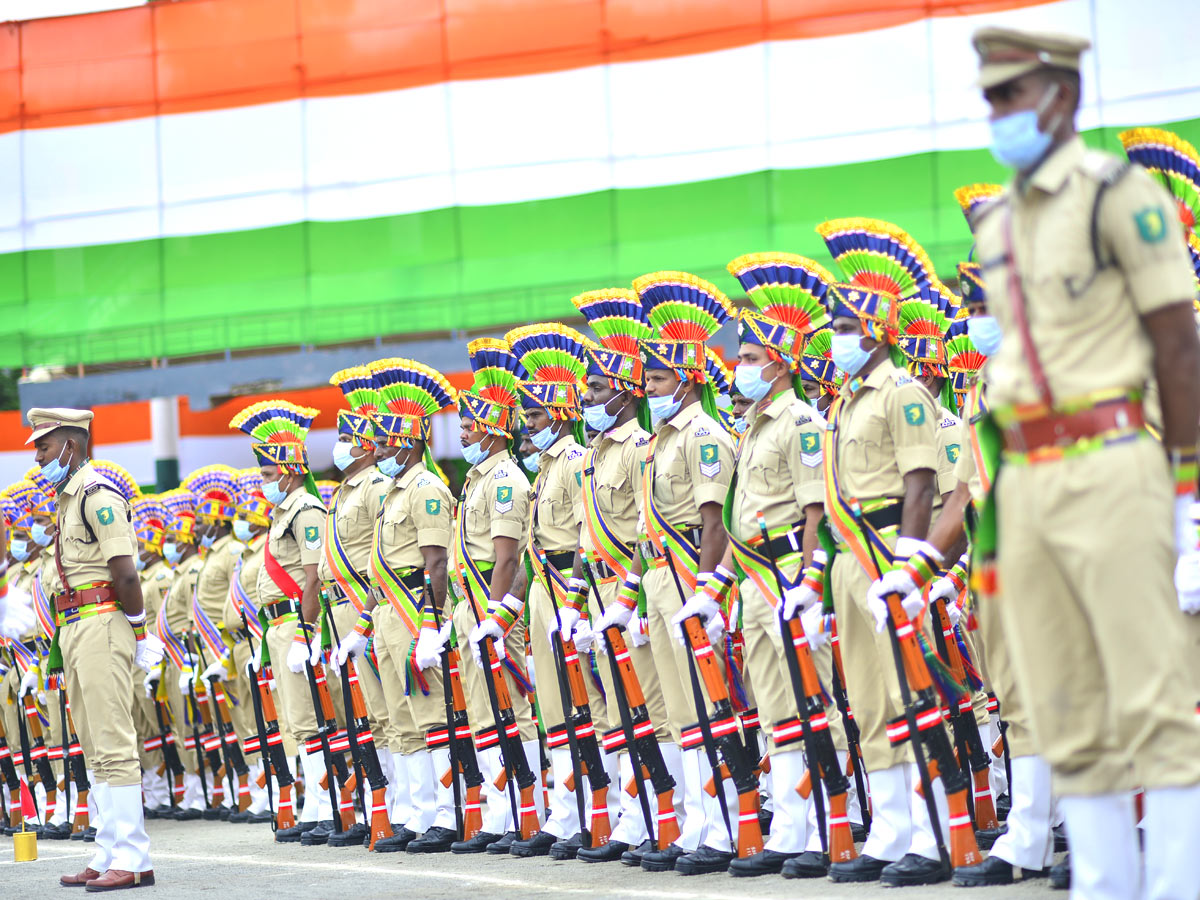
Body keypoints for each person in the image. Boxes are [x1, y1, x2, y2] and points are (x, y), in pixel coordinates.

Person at [968, 26, 1200, 899]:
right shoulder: (997, 221)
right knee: (1065, 709)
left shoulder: (1119, 195)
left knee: (1152, 701)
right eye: (990, 99)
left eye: (1012, 96)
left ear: (1060, 96)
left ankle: (1176, 887)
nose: (999, 114)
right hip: (1024, 481)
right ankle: (1106, 885)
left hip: (1110, 464)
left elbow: (1178, 349)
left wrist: (1188, 501)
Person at [795, 252, 947, 885]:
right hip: (850, 565)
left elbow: (919, 486)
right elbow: (832, 500)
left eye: (847, 327)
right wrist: (815, 579)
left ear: (877, 331)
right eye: (834, 328)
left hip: (889, 552)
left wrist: (909, 567)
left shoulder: (904, 393)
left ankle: (937, 831)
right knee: (866, 696)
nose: (837, 339)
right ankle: (889, 832)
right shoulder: (844, 404)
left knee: (911, 690)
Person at [594, 271, 739, 875]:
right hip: (656, 579)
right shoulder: (655, 443)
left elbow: (714, 524)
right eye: (647, 378)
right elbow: (644, 528)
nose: (647, 387)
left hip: (689, 580)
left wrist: (705, 595)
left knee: (708, 707)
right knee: (679, 713)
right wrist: (627, 598)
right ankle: (692, 823)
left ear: (687, 378)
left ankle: (727, 825)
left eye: (656, 378)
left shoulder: (704, 435)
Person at [721, 252, 855, 878]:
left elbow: (814, 509)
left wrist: (806, 579)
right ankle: (793, 830)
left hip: (786, 576)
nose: (738, 367)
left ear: (779, 362)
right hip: (753, 580)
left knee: (814, 698)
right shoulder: (752, 425)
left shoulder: (801, 421)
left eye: (748, 359)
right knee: (776, 705)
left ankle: (834, 825)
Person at [28, 407, 163, 890]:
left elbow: (125, 573)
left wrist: (140, 632)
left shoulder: (98, 495)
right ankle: (109, 850)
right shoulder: (66, 500)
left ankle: (133, 857)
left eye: (44, 446)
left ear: (72, 442)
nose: (39, 456)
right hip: (77, 628)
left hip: (103, 622)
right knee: (94, 747)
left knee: (113, 743)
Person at [568, 287, 675, 865]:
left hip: (633, 591)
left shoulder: (639, 447)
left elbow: (644, 530)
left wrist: (626, 596)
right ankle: (635, 822)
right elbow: (587, 537)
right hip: (597, 597)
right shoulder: (594, 453)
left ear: (626, 394)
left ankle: (670, 819)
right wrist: (577, 602)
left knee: (653, 707)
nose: (587, 400)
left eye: (598, 390)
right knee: (613, 713)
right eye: (586, 390)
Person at [350, 356, 459, 853]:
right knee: (401, 718)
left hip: (416, 610)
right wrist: (364, 623)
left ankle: (448, 815)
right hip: (388, 613)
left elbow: (436, 563)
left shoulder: (426, 488)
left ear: (412, 441)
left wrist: (433, 626)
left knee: (431, 713)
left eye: (390, 443)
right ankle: (416, 817)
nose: (382, 450)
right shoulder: (393, 491)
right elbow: (380, 565)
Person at [495, 322, 594, 859]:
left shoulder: (577, 462)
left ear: (558, 414)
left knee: (589, 704)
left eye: (533, 417)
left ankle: (597, 811)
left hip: (569, 593)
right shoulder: (544, 470)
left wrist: (575, 602)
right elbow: (533, 552)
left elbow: (584, 538)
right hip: (541, 595)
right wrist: (507, 609)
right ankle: (566, 812)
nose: (525, 429)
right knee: (554, 706)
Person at [453, 338, 541, 854]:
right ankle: (498, 812)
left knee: (515, 710)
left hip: (495, 603)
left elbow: (507, 557)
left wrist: (496, 613)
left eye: (468, 427)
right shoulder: (476, 478)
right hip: (472, 605)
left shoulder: (506, 478)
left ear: (490, 428)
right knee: (484, 711)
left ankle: (527, 811)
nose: (462, 434)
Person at [228, 400, 330, 843]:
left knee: (308, 719)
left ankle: (327, 807)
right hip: (276, 627)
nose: (262, 483)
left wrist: (307, 634)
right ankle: (315, 802)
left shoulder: (306, 508)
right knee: (291, 721)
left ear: (290, 470)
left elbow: (312, 579)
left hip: (296, 622)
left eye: (268, 475)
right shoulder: (282, 511)